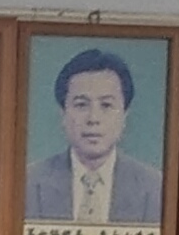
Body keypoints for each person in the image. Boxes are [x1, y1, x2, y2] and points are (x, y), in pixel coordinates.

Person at [25, 48, 165, 224]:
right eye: (81, 105)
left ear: (124, 115)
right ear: (63, 114)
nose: (93, 119)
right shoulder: (28, 182)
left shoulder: (155, 187)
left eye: (106, 105)